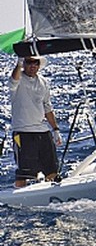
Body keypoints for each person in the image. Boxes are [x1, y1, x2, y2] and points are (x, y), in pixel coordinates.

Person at [9, 56, 61, 187]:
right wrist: (19, 64)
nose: (32, 65)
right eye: (29, 62)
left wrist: (55, 129)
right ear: (24, 64)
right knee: (24, 174)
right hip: (23, 132)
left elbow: (47, 107)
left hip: (43, 132)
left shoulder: (43, 81)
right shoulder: (18, 79)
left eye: (35, 63)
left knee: (52, 171)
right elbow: (13, 79)